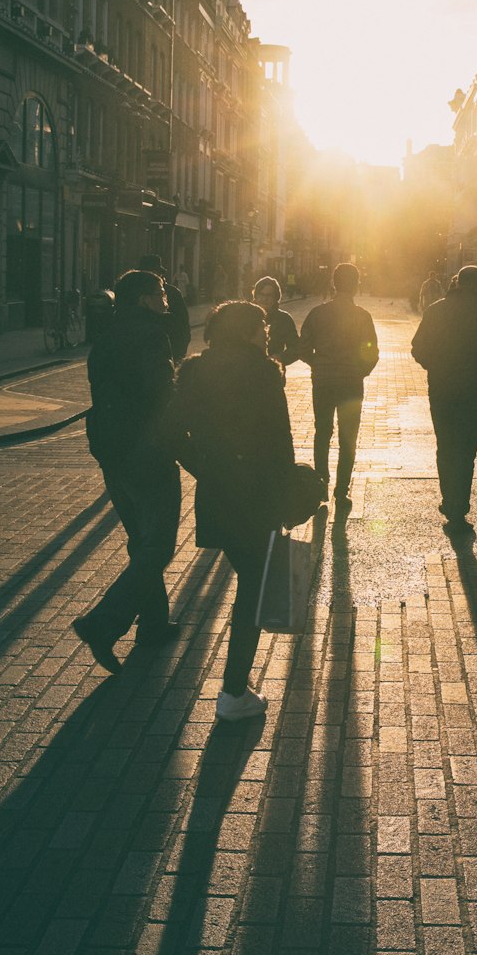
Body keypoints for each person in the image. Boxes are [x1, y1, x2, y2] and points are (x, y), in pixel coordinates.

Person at [174, 300, 295, 720]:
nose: (266, 332)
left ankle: (235, 688)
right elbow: (280, 440)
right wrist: (288, 495)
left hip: (218, 493)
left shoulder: (194, 370)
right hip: (257, 494)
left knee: (250, 580)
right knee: (254, 588)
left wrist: (206, 466)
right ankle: (232, 692)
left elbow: (173, 431)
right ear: (246, 330)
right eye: (261, 325)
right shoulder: (263, 372)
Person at [73, 269, 182, 671]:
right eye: (159, 292)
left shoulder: (104, 337)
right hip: (146, 453)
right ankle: (103, 622)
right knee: (159, 546)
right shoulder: (153, 336)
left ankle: (153, 623)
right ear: (142, 299)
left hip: (111, 452)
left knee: (141, 540)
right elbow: (162, 396)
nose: (165, 298)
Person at [411, 264, 477, 539]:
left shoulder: (436, 310)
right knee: (467, 448)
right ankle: (460, 504)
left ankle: (449, 500)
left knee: (446, 444)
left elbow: (418, 347)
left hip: (441, 388)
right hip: (474, 389)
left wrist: (434, 366)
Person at [299, 263, 379, 515]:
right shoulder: (362, 316)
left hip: (322, 381)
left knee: (322, 432)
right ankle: (342, 491)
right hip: (350, 384)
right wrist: (359, 371)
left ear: (333, 283)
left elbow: (303, 348)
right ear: (356, 285)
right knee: (348, 438)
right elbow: (371, 352)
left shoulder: (317, 314)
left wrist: (319, 364)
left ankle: (322, 484)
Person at [138, 252, 191, 362]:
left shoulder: (172, 293)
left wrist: (176, 358)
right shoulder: (134, 293)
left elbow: (183, 327)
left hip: (167, 356)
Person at [252, 276, 300, 376]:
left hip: (273, 374)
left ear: (276, 298)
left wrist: (280, 357)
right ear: (255, 296)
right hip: (247, 373)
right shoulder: (246, 316)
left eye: (269, 295)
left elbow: (296, 348)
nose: (265, 299)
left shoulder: (284, 319)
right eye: (261, 294)